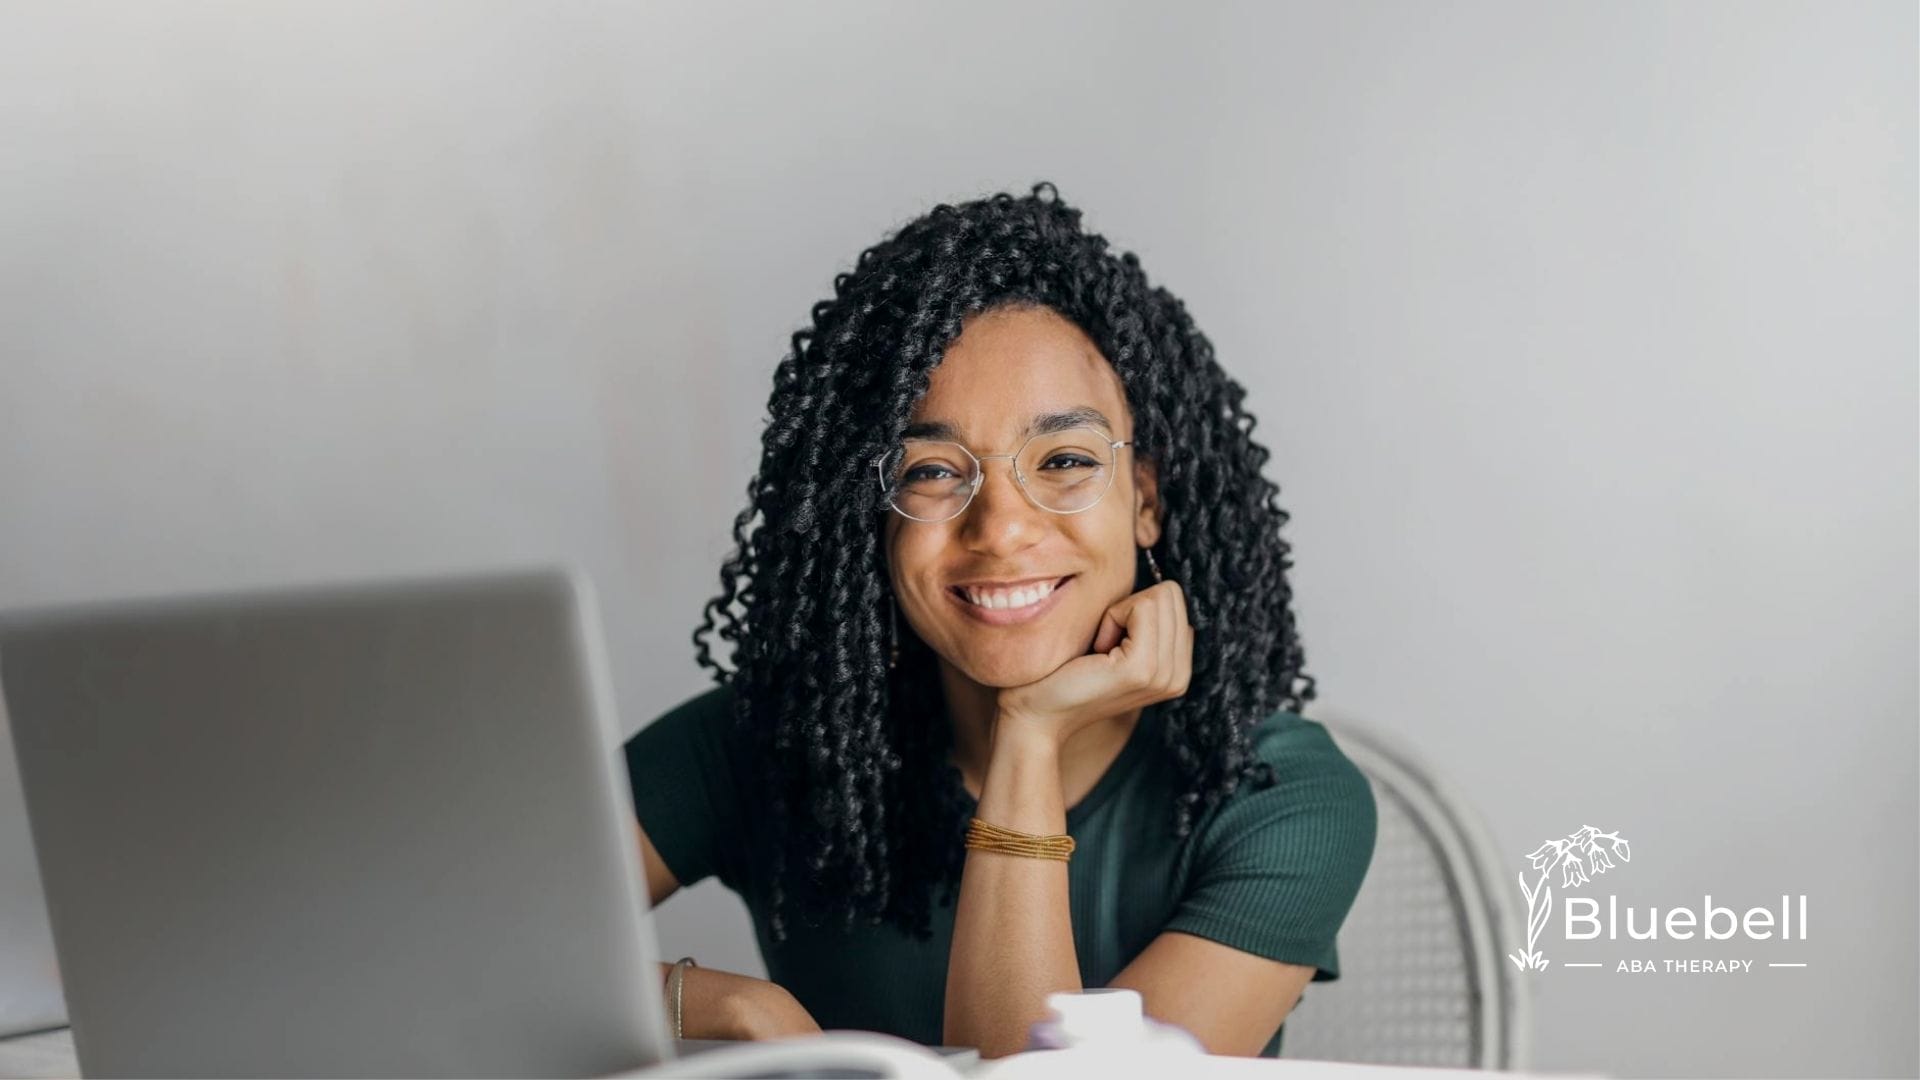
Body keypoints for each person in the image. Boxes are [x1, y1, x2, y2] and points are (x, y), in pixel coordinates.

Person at [623, 183, 1377, 1059]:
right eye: (932, 472)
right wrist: (726, 1008)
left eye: (1063, 459)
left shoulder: (1277, 797)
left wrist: (1030, 735)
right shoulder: (769, 741)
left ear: (1146, 499)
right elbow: (449, 942)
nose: (1003, 528)